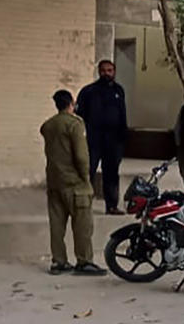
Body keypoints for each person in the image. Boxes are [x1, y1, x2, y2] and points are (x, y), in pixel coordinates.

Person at [39, 90, 106, 276]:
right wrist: (86, 178)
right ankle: (84, 261)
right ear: (71, 103)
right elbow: (81, 156)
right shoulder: (75, 124)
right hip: (75, 183)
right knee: (82, 224)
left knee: (57, 224)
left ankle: (59, 261)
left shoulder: (48, 125)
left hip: (54, 180)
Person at [76, 60, 127, 214]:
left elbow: (123, 115)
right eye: (104, 70)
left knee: (111, 173)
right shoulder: (88, 91)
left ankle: (111, 206)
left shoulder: (119, 91)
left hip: (113, 140)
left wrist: (123, 138)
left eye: (110, 70)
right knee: (87, 172)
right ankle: (83, 205)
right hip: (93, 139)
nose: (107, 73)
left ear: (114, 71)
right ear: (99, 72)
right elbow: (79, 116)